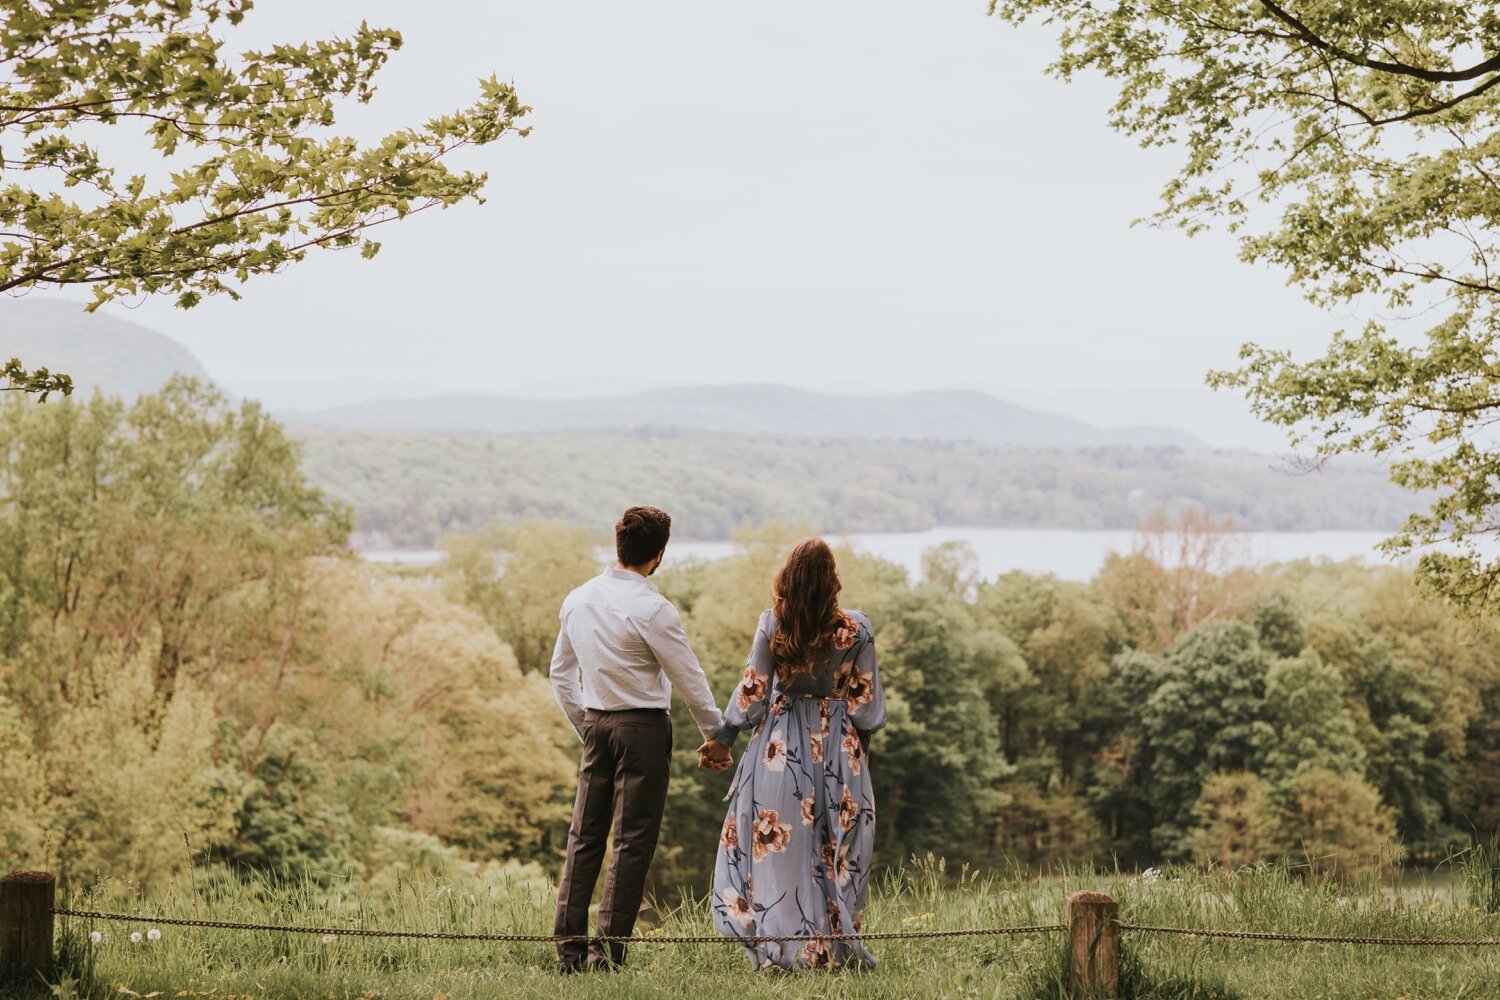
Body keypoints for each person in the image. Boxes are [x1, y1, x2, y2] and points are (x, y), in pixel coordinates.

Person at [549, 505, 733, 973]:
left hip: (597, 722)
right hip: (644, 731)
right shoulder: (653, 608)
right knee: (632, 843)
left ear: (619, 545)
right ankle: (606, 957)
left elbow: (560, 675)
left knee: (583, 839)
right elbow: (689, 679)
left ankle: (569, 956)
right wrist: (717, 735)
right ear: (659, 553)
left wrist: (586, 726)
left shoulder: (578, 598)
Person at [702, 538, 886, 970]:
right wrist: (859, 757)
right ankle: (830, 949)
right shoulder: (858, 629)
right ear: (833, 581)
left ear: (788, 578)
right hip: (840, 751)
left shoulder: (774, 624)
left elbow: (752, 693)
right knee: (836, 849)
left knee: (778, 851)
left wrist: (721, 739)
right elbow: (865, 705)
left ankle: (780, 948)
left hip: (778, 752)